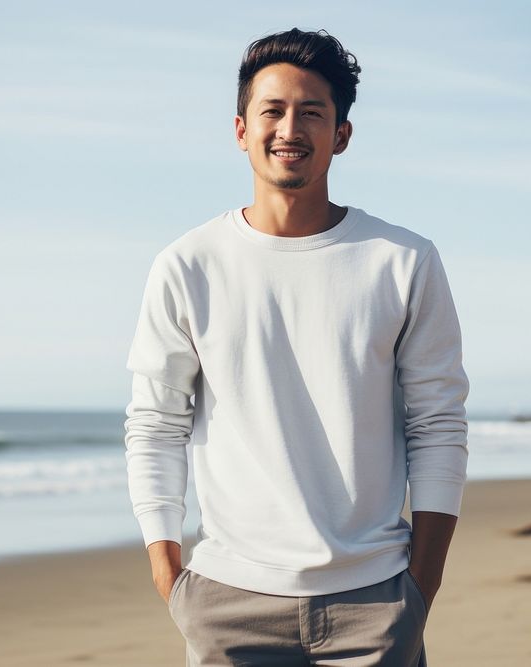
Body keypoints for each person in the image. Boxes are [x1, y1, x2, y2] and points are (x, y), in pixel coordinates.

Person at [124, 27, 469, 666]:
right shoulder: (188, 265)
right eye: (273, 110)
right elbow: (155, 423)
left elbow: (438, 424)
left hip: (376, 602)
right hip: (229, 604)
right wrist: (168, 573)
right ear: (239, 129)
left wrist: (420, 587)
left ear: (341, 134)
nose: (291, 128)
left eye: (313, 112)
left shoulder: (404, 261)